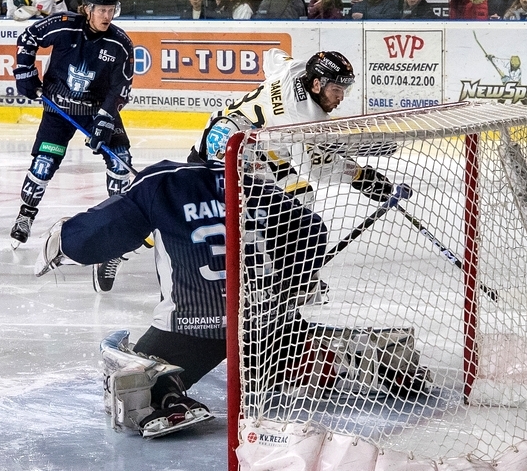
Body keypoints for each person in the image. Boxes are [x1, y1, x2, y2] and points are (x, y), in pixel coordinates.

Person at [34, 159, 328, 438]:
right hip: (266, 324)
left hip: (192, 328)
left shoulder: (161, 182)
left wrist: (65, 239)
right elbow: (313, 231)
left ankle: (169, 397)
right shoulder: (256, 185)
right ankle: (311, 359)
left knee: (139, 378)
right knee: (280, 335)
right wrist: (293, 281)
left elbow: (94, 236)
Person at [9, 0, 135, 293]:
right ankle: (26, 214)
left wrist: (105, 120)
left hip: (96, 111)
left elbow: (121, 88)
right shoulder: (64, 25)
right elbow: (28, 37)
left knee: (121, 163)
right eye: (101, 10)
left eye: (111, 10)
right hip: (59, 108)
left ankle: (116, 235)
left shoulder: (120, 44)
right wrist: (26, 75)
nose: (107, 16)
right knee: (44, 164)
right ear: (87, 9)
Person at [190, 49, 393, 208]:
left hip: (256, 147)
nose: (341, 97)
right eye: (336, 90)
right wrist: (359, 175)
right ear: (316, 84)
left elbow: (272, 55)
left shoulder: (294, 68)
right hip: (227, 147)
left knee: (299, 196)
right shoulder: (307, 120)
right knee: (246, 205)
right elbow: (315, 169)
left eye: (344, 90)